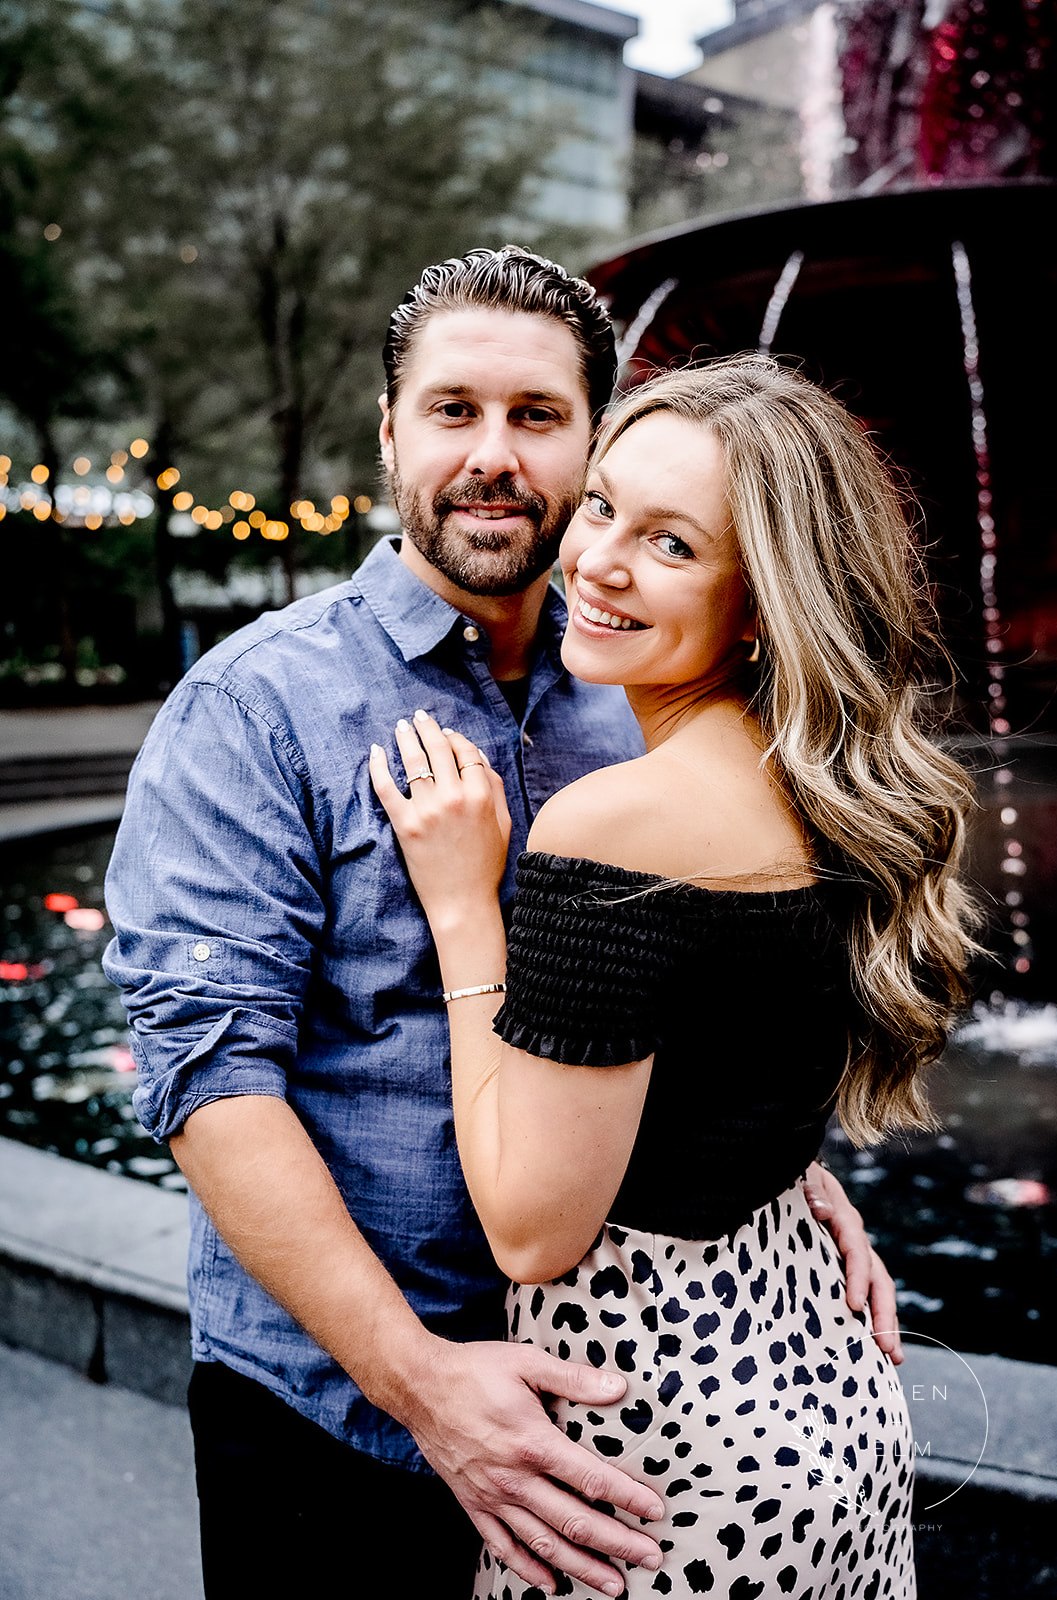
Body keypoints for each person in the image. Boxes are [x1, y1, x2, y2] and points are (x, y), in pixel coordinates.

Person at [103, 248, 899, 1600]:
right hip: (341, 1420)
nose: (491, 454)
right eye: (451, 409)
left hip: (609, 1416)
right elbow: (207, 1077)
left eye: (535, 417)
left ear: (592, 437)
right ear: (389, 431)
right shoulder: (257, 706)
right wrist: (426, 1391)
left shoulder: (636, 684)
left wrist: (770, 1170)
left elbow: (694, 993)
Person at [370, 354, 980, 1599]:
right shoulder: (822, 780)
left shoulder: (619, 820)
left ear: (757, 602)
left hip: (660, 1450)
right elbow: (733, 1059)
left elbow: (535, 1230)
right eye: (600, 506)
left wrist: (460, 907)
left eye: (669, 543)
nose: (595, 559)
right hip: (818, 1402)